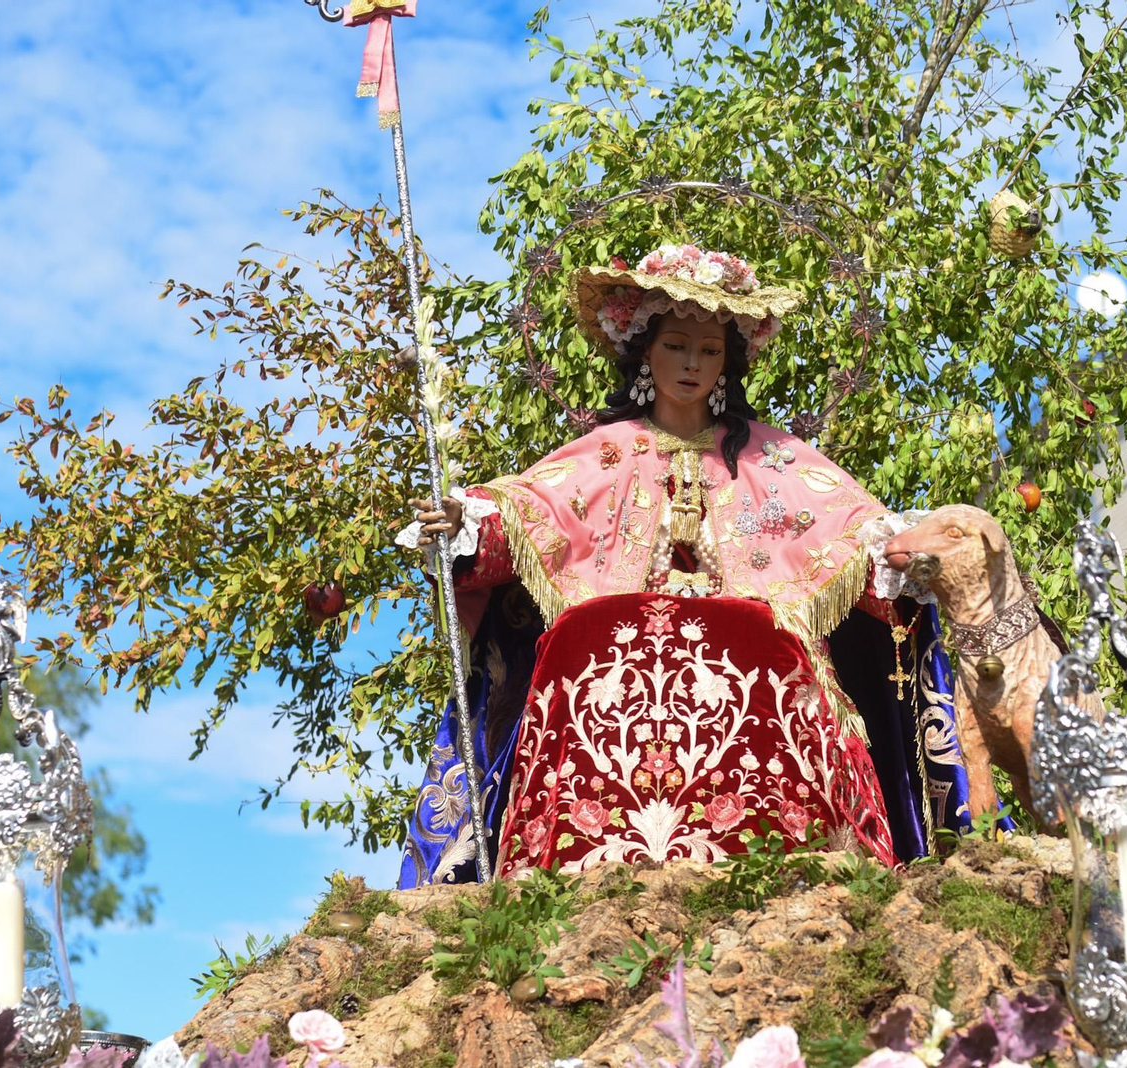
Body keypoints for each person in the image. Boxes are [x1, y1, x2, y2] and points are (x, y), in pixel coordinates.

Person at [394, 245, 978, 886]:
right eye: (677, 345)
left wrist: (898, 556)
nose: (693, 364)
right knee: (581, 642)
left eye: (710, 350)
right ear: (645, 350)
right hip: (618, 673)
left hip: (748, 659)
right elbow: (532, 514)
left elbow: (847, 531)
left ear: (731, 361)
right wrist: (466, 525)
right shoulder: (603, 454)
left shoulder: (772, 458)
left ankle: (803, 857)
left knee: (772, 642)